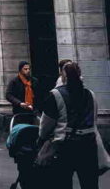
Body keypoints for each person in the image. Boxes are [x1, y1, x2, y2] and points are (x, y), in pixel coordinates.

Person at [38, 61, 107, 189]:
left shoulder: (55, 95)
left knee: (63, 182)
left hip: (65, 146)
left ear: (63, 76)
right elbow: (94, 120)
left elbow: (46, 124)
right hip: (88, 144)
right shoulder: (90, 94)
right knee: (90, 183)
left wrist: (42, 138)